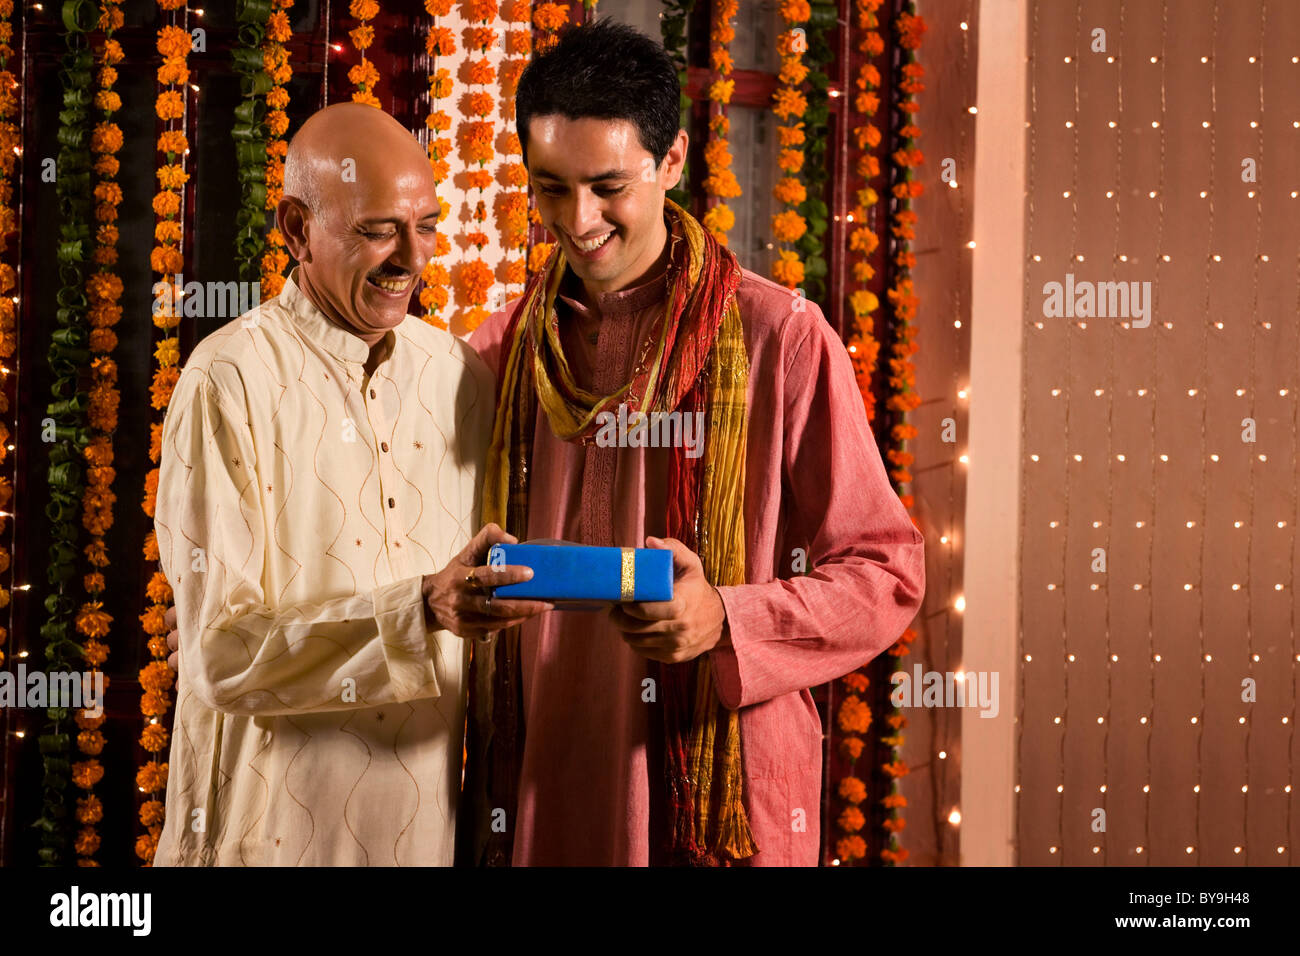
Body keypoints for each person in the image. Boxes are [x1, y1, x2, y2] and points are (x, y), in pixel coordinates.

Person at [460, 20, 925, 867]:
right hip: (543, 789)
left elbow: (887, 575)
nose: (577, 219)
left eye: (607, 185)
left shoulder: (780, 337)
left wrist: (727, 617)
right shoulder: (500, 350)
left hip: (719, 799)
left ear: (673, 161)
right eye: (551, 188)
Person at [153, 103, 549, 866]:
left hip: (419, 831)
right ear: (297, 229)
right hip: (262, 833)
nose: (412, 258)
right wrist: (419, 610)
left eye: (426, 226)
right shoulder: (229, 380)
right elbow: (217, 655)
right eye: (377, 230)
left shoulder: (459, 378)